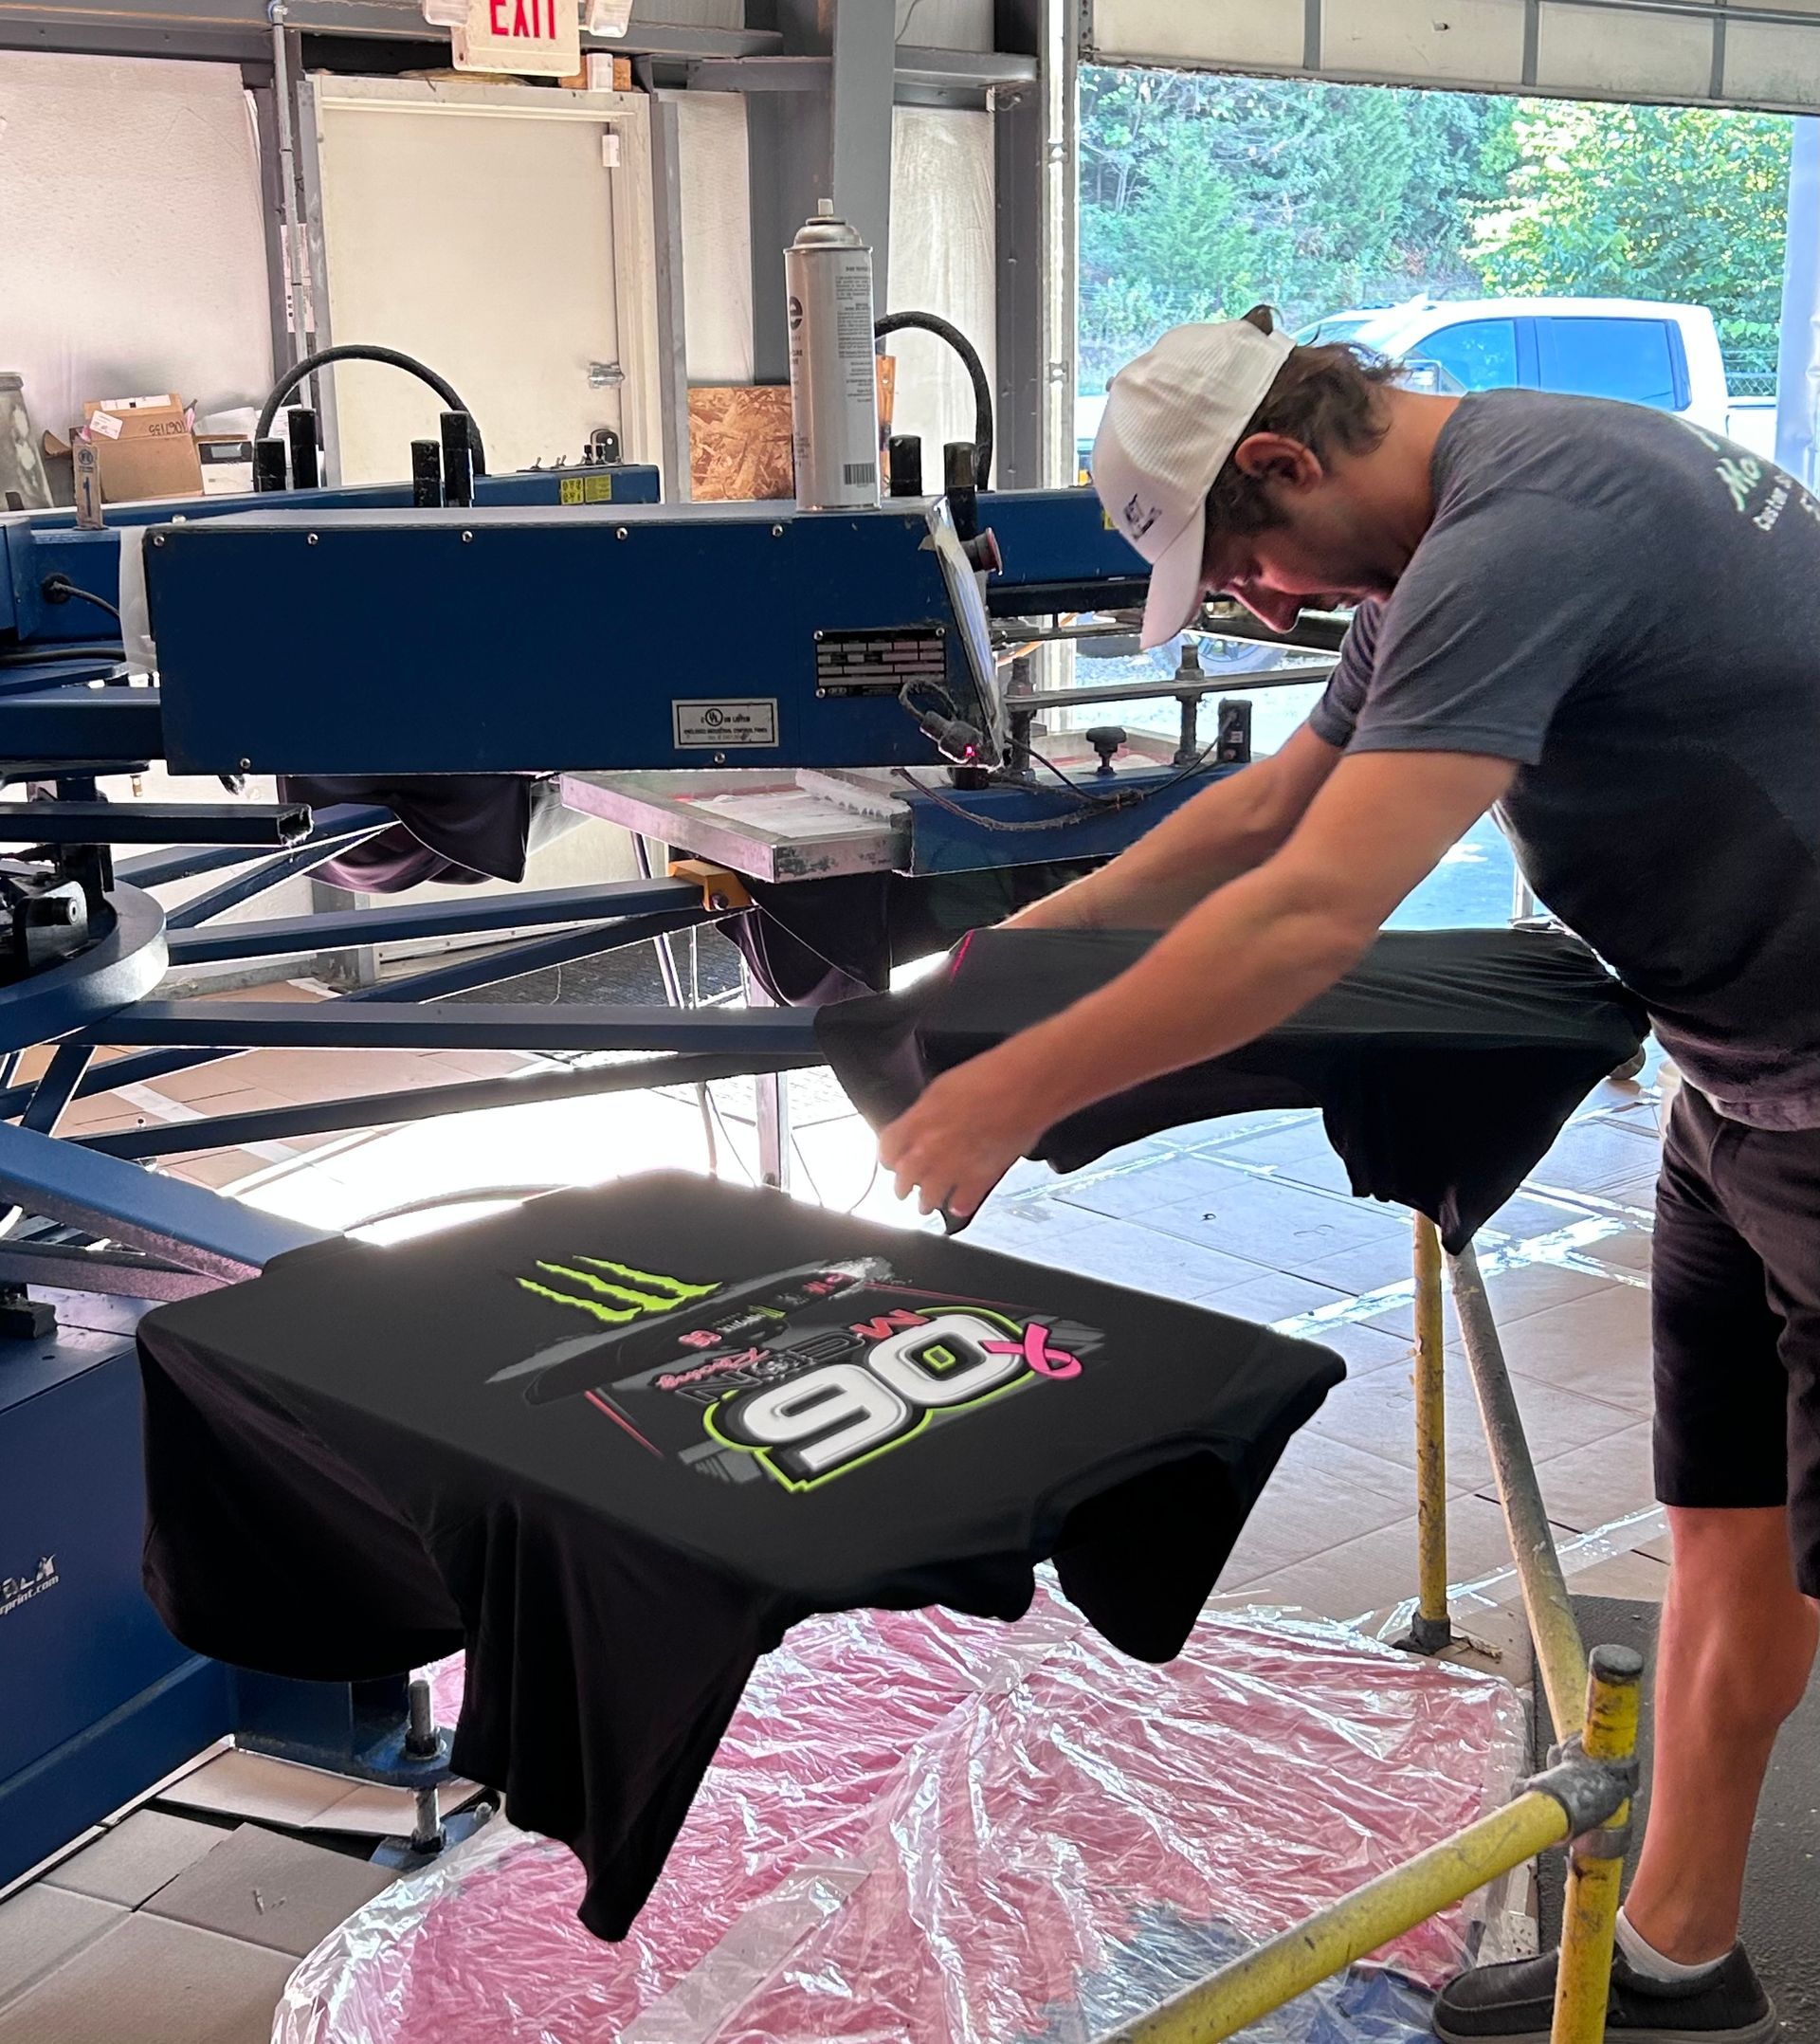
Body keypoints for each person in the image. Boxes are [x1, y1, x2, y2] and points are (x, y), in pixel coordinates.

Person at [878, 308, 1817, 2043]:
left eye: (1251, 559)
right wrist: (1008, 957)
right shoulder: (1459, 516)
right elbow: (1263, 815)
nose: (1267, 605)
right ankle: (1682, 1954)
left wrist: (1012, 1088)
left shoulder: (1530, 527)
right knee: (1727, 1535)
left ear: (1289, 461)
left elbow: (1317, 909)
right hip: (1743, 1076)